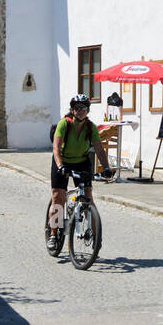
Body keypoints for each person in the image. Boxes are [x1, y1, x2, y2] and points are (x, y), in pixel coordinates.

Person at [47, 95, 111, 250]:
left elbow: (99, 149)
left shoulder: (90, 127)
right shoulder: (64, 124)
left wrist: (107, 168)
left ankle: (96, 237)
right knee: (58, 197)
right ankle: (53, 234)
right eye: (77, 108)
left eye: (83, 108)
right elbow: (56, 148)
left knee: (88, 197)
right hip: (62, 161)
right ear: (72, 110)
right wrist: (60, 166)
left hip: (82, 162)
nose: (80, 111)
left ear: (88, 110)